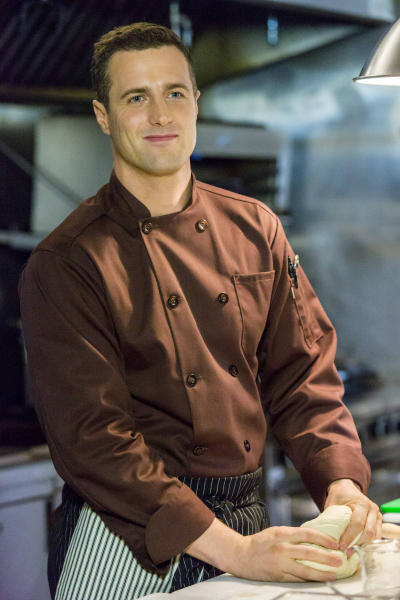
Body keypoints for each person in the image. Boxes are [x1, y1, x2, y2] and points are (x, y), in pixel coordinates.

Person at [19, 22, 381, 600]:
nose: (160, 114)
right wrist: (232, 550)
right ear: (103, 116)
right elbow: (95, 440)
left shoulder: (256, 227)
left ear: (195, 102)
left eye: (174, 93)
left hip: (248, 520)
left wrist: (340, 482)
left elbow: (302, 375)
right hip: (128, 534)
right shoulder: (67, 262)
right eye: (136, 98)